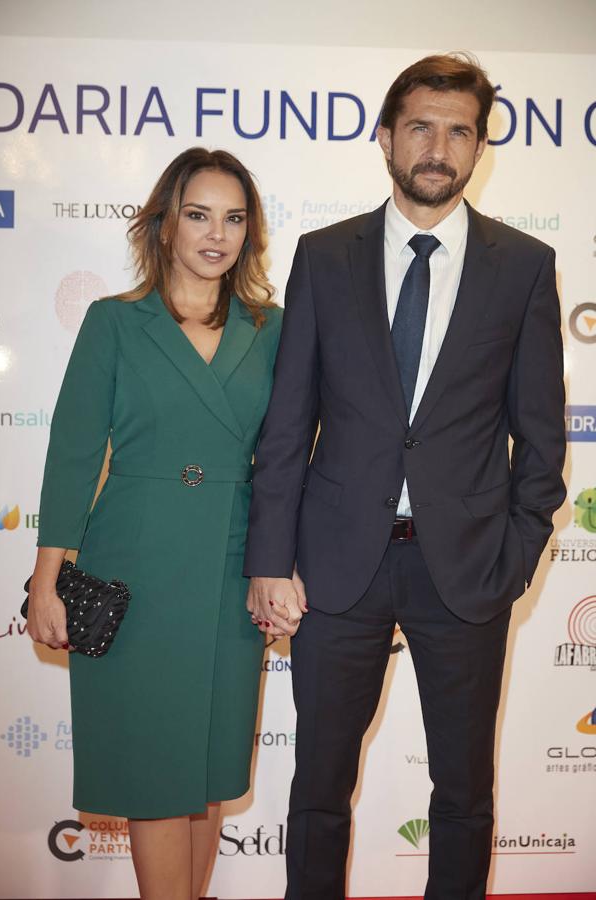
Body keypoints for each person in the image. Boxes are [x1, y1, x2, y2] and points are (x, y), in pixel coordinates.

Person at [244, 53, 566, 900]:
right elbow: (287, 425)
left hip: (464, 571)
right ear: (385, 137)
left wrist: (514, 558)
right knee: (318, 788)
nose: (439, 146)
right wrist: (270, 559)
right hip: (336, 568)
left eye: (461, 131)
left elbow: (541, 441)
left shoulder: (525, 266)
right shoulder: (323, 255)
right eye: (421, 125)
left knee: (464, 794)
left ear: (480, 148)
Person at [26, 147, 283, 900]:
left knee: (203, 774)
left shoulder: (272, 328)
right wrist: (48, 584)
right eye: (198, 214)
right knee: (155, 772)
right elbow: (73, 455)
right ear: (166, 224)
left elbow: (291, 455)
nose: (217, 234)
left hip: (233, 564)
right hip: (134, 562)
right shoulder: (115, 324)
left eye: (234, 218)